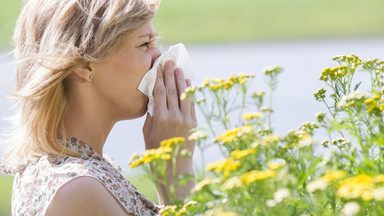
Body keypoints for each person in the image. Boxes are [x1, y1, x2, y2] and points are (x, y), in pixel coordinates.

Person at [0, 0, 196, 215]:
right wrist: (175, 168)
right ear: (84, 64)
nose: (159, 57)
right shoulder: (77, 189)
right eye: (144, 44)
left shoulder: (76, 172)